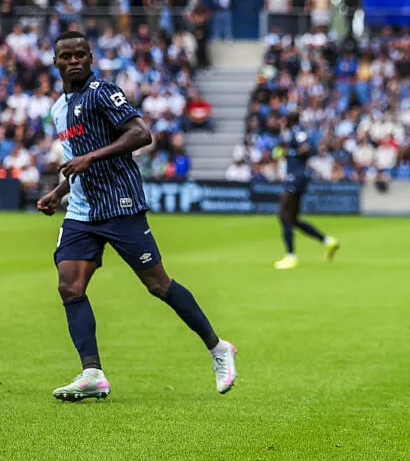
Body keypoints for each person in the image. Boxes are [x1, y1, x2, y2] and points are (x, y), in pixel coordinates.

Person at [37, 31, 237, 402]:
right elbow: (76, 161)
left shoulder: (103, 92)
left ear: (91, 58)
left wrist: (91, 157)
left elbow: (141, 134)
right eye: (67, 56)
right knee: (70, 286)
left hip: (121, 204)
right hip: (81, 210)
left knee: (158, 285)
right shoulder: (58, 109)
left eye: (81, 54)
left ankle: (218, 347)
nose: (74, 60)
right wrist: (58, 192)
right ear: (55, 62)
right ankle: (92, 373)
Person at [273, 111, 340, 270]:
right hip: (297, 177)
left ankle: (290, 256)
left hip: (296, 178)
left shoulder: (297, 132)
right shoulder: (293, 132)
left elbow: (308, 148)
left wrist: (290, 153)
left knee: (284, 215)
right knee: (293, 219)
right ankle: (327, 241)